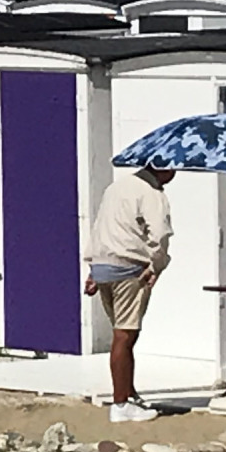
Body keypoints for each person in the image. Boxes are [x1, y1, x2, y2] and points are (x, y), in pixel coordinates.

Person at [84, 163, 175, 423]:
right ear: (164, 170)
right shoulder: (152, 193)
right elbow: (159, 235)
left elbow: (101, 227)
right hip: (128, 267)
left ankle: (128, 392)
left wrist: (92, 268)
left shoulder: (116, 188)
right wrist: (156, 265)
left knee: (122, 334)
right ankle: (121, 404)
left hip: (103, 265)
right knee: (125, 335)